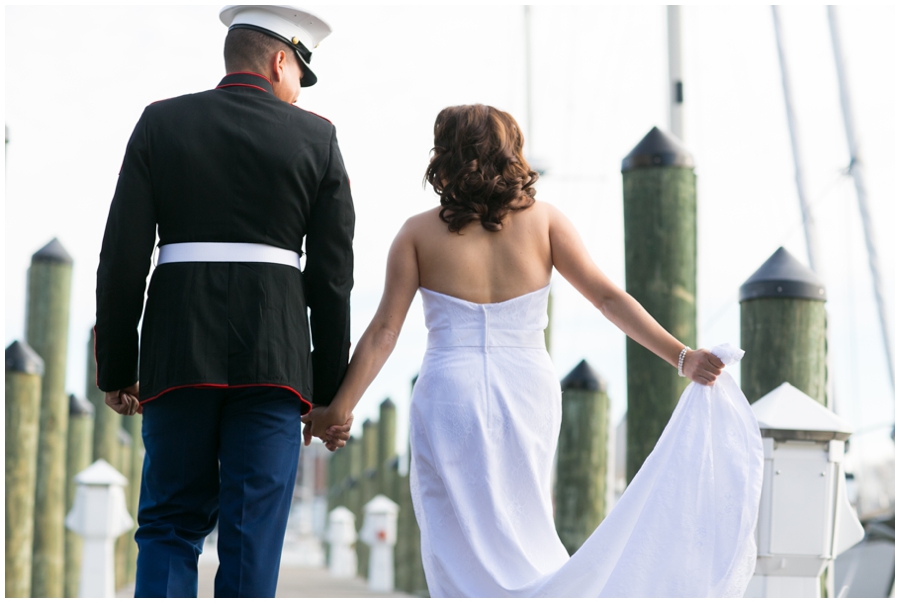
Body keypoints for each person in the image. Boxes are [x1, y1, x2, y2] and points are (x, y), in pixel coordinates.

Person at [303, 104, 764, 596]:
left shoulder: (416, 234)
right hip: (527, 388)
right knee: (527, 525)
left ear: (445, 156)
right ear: (511, 153)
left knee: (456, 539)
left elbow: (383, 334)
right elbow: (609, 298)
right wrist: (681, 356)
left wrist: (338, 409)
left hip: (448, 390)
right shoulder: (544, 222)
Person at [95, 6, 354, 597]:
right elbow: (333, 280)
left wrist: (118, 366)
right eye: (299, 77)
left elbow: (123, 257)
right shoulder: (318, 138)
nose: (297, 93)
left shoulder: (160, 123)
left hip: (178, 354)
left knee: (167, 523)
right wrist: (328, 393)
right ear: (280, 60)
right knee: (251, 532)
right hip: (277, 363)